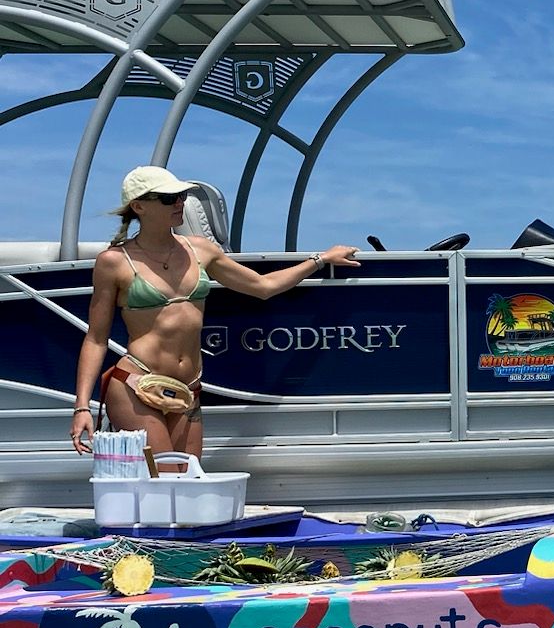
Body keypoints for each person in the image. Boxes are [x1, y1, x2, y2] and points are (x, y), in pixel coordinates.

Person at [71, 166, 360, 458]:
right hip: (137, 384)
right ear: (139, 206)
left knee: (189, 481)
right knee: (164, 480)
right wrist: (82, 405)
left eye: (181, 196)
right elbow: (96, 339)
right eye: (169, 198)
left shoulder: (200, 250)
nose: (180, 203)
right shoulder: (114, 262)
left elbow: (263, 286)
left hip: (189, 387)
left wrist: (321, 259)